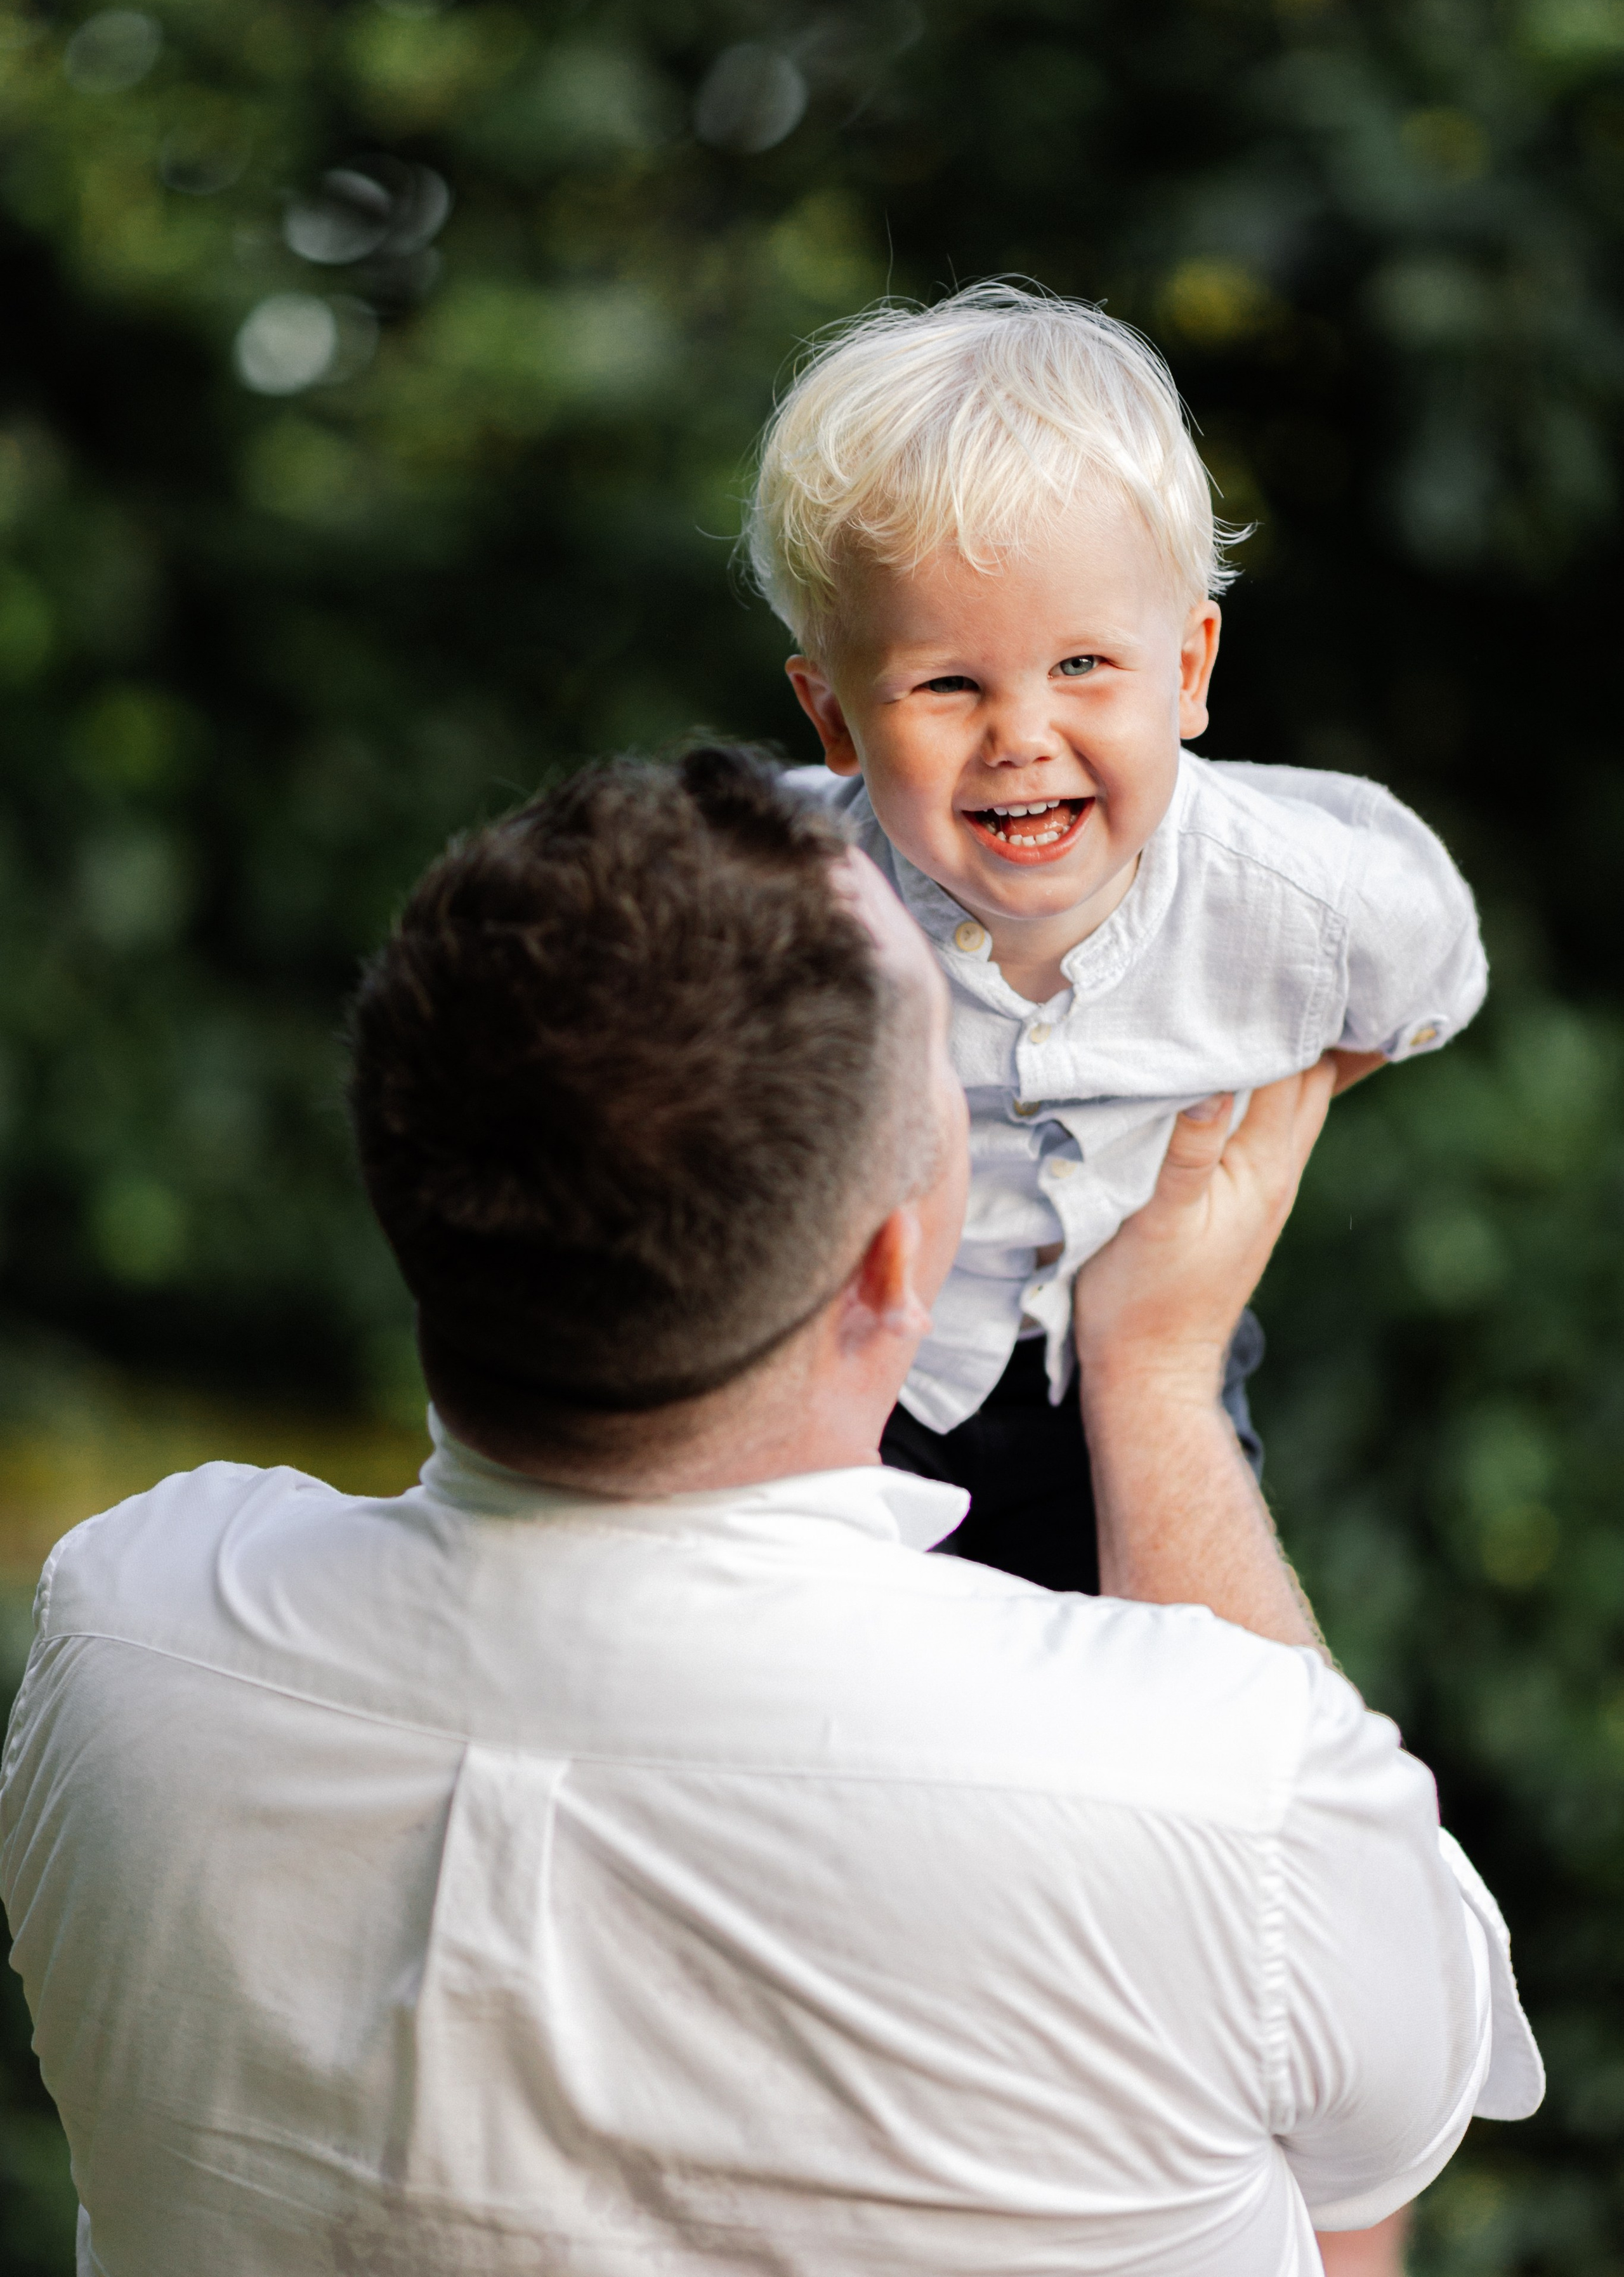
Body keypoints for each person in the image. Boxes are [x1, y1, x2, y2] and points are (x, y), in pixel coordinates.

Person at [0, 751, 1538, 2277]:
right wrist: (1155, 1381)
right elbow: (1361, 2171)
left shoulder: (127, 1639)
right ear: (891, 1262)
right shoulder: (1218, 1797)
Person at [747, 281, 1486, 1601]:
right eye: (946, 683)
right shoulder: (777, 883)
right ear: (837, 719)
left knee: (1166, 1677)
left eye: (1083, 666)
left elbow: (1427, 981)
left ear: (1190, 670)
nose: (1020, 733)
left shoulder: (1306, 900)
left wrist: (1276, 1084)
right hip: (863, 1369)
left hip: (1136, 1352)